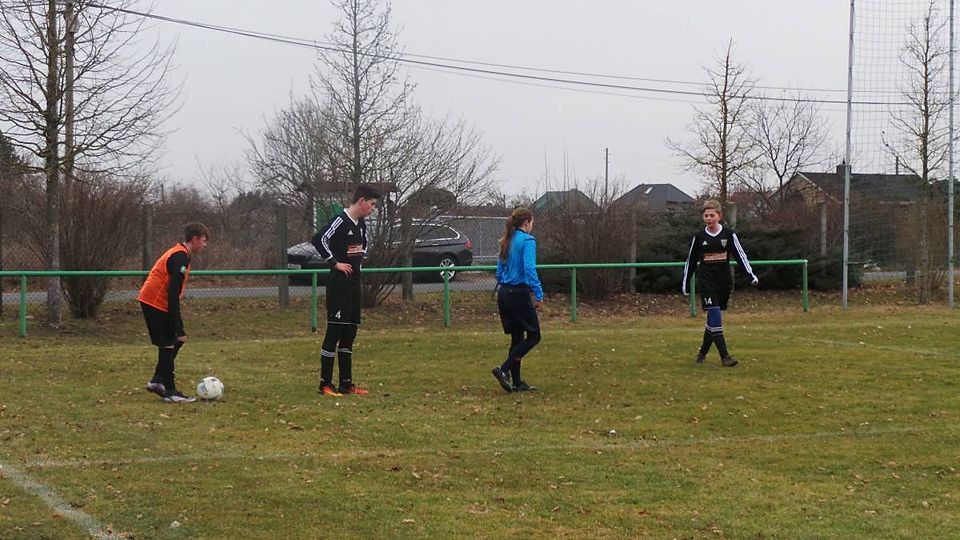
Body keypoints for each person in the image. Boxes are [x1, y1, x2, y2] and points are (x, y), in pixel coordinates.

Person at [313, 184, 381, 396]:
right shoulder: (340, 220)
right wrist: (334, 263)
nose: (373, 209)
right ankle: (325, 383)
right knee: (334, 331)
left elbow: (363, 247)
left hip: (354, 285)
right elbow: (319, 239)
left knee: (349, 333)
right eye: (372, 204)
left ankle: (346, 383)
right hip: (339, 286)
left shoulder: (361, 224)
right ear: (361, 201)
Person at [139, 222, 211, 403]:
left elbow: (174, 293)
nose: (205, 245)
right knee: (168, 343)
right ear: (195, 239)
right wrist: (175, 323)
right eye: (204, 241)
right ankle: (170, 392)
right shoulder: (180, 257)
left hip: (158, 302)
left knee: (179, 339)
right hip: (155, 302)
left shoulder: (182, 254)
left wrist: (177, 325)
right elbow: (172, 293)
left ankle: (157, 380)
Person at [681, 199, 758, 367]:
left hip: (723, 282)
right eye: (706, 216)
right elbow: (691, 261)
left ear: (719, 216)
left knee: (712, 321)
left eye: (712, 215)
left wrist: (751, 275)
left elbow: (740, 256)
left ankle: (702, 353)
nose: (708, 218)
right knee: (715, 315)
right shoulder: (699, 237)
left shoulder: (729, 235)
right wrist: (685, 283)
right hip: (706, 282)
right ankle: (725, 357)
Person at [491, 207, 543, 393]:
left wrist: (505, 282)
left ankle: (517, 382)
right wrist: (538, 293)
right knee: (534, 335)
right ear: (526, 222)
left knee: (517, 337)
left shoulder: (507, 240)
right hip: (519, 293)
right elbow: (529, 268)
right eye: (532, 222)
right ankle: (503, 369)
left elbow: (499, 270)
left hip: (504, 293)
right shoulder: (528, 241)